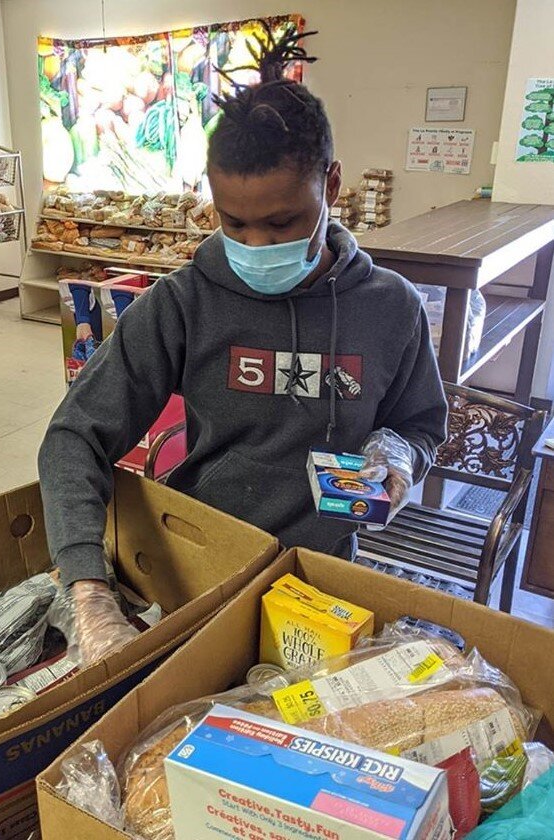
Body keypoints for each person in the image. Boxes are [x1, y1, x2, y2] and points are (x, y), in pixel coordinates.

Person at [39, 25, 447, 664]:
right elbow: (74, 438)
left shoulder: (391, 307)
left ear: (331, 186)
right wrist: (89, 592)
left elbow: (421, 423)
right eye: (234, 223)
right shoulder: (182, 302)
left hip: (323, 576)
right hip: (201, 565)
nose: (256, 245)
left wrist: (396, 457)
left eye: (282, 222)